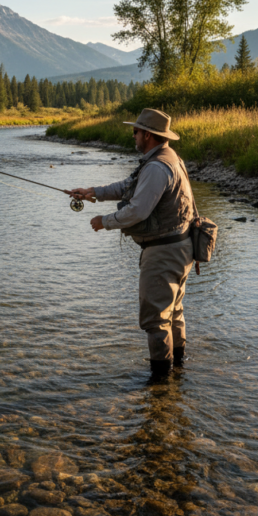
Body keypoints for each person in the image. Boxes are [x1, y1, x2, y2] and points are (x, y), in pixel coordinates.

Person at [68, 109, 197, 380]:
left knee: (155, 319)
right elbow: (129, 185)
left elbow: (138, 210)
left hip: (163, 252)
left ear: (148, 135)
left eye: (136, 131)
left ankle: (160, 381)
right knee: (173, 313)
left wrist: (105, 221)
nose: (134, 135)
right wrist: (93, 192)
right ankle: (179, 372)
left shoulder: (156, 167)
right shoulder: (167, 158)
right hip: (181, 247)